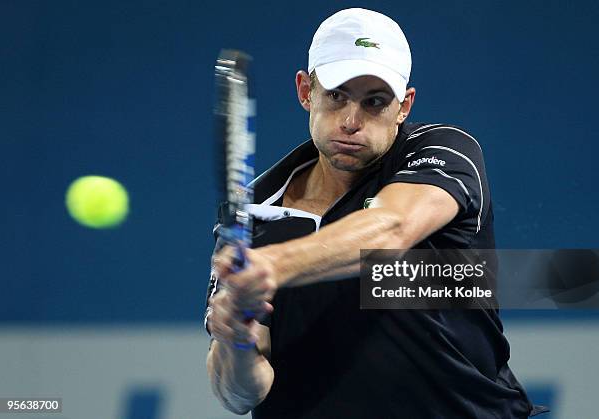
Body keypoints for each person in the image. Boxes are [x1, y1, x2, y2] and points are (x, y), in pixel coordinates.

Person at [205, 8, 546, 419]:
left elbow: (390, 229)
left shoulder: (443, 151)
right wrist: (236, 340)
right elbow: (241, 396)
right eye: (336, 95)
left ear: (404, 106)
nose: (352, 120)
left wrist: (271, 266)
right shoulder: (253, 210)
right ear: (305, 90)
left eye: (375, 102)